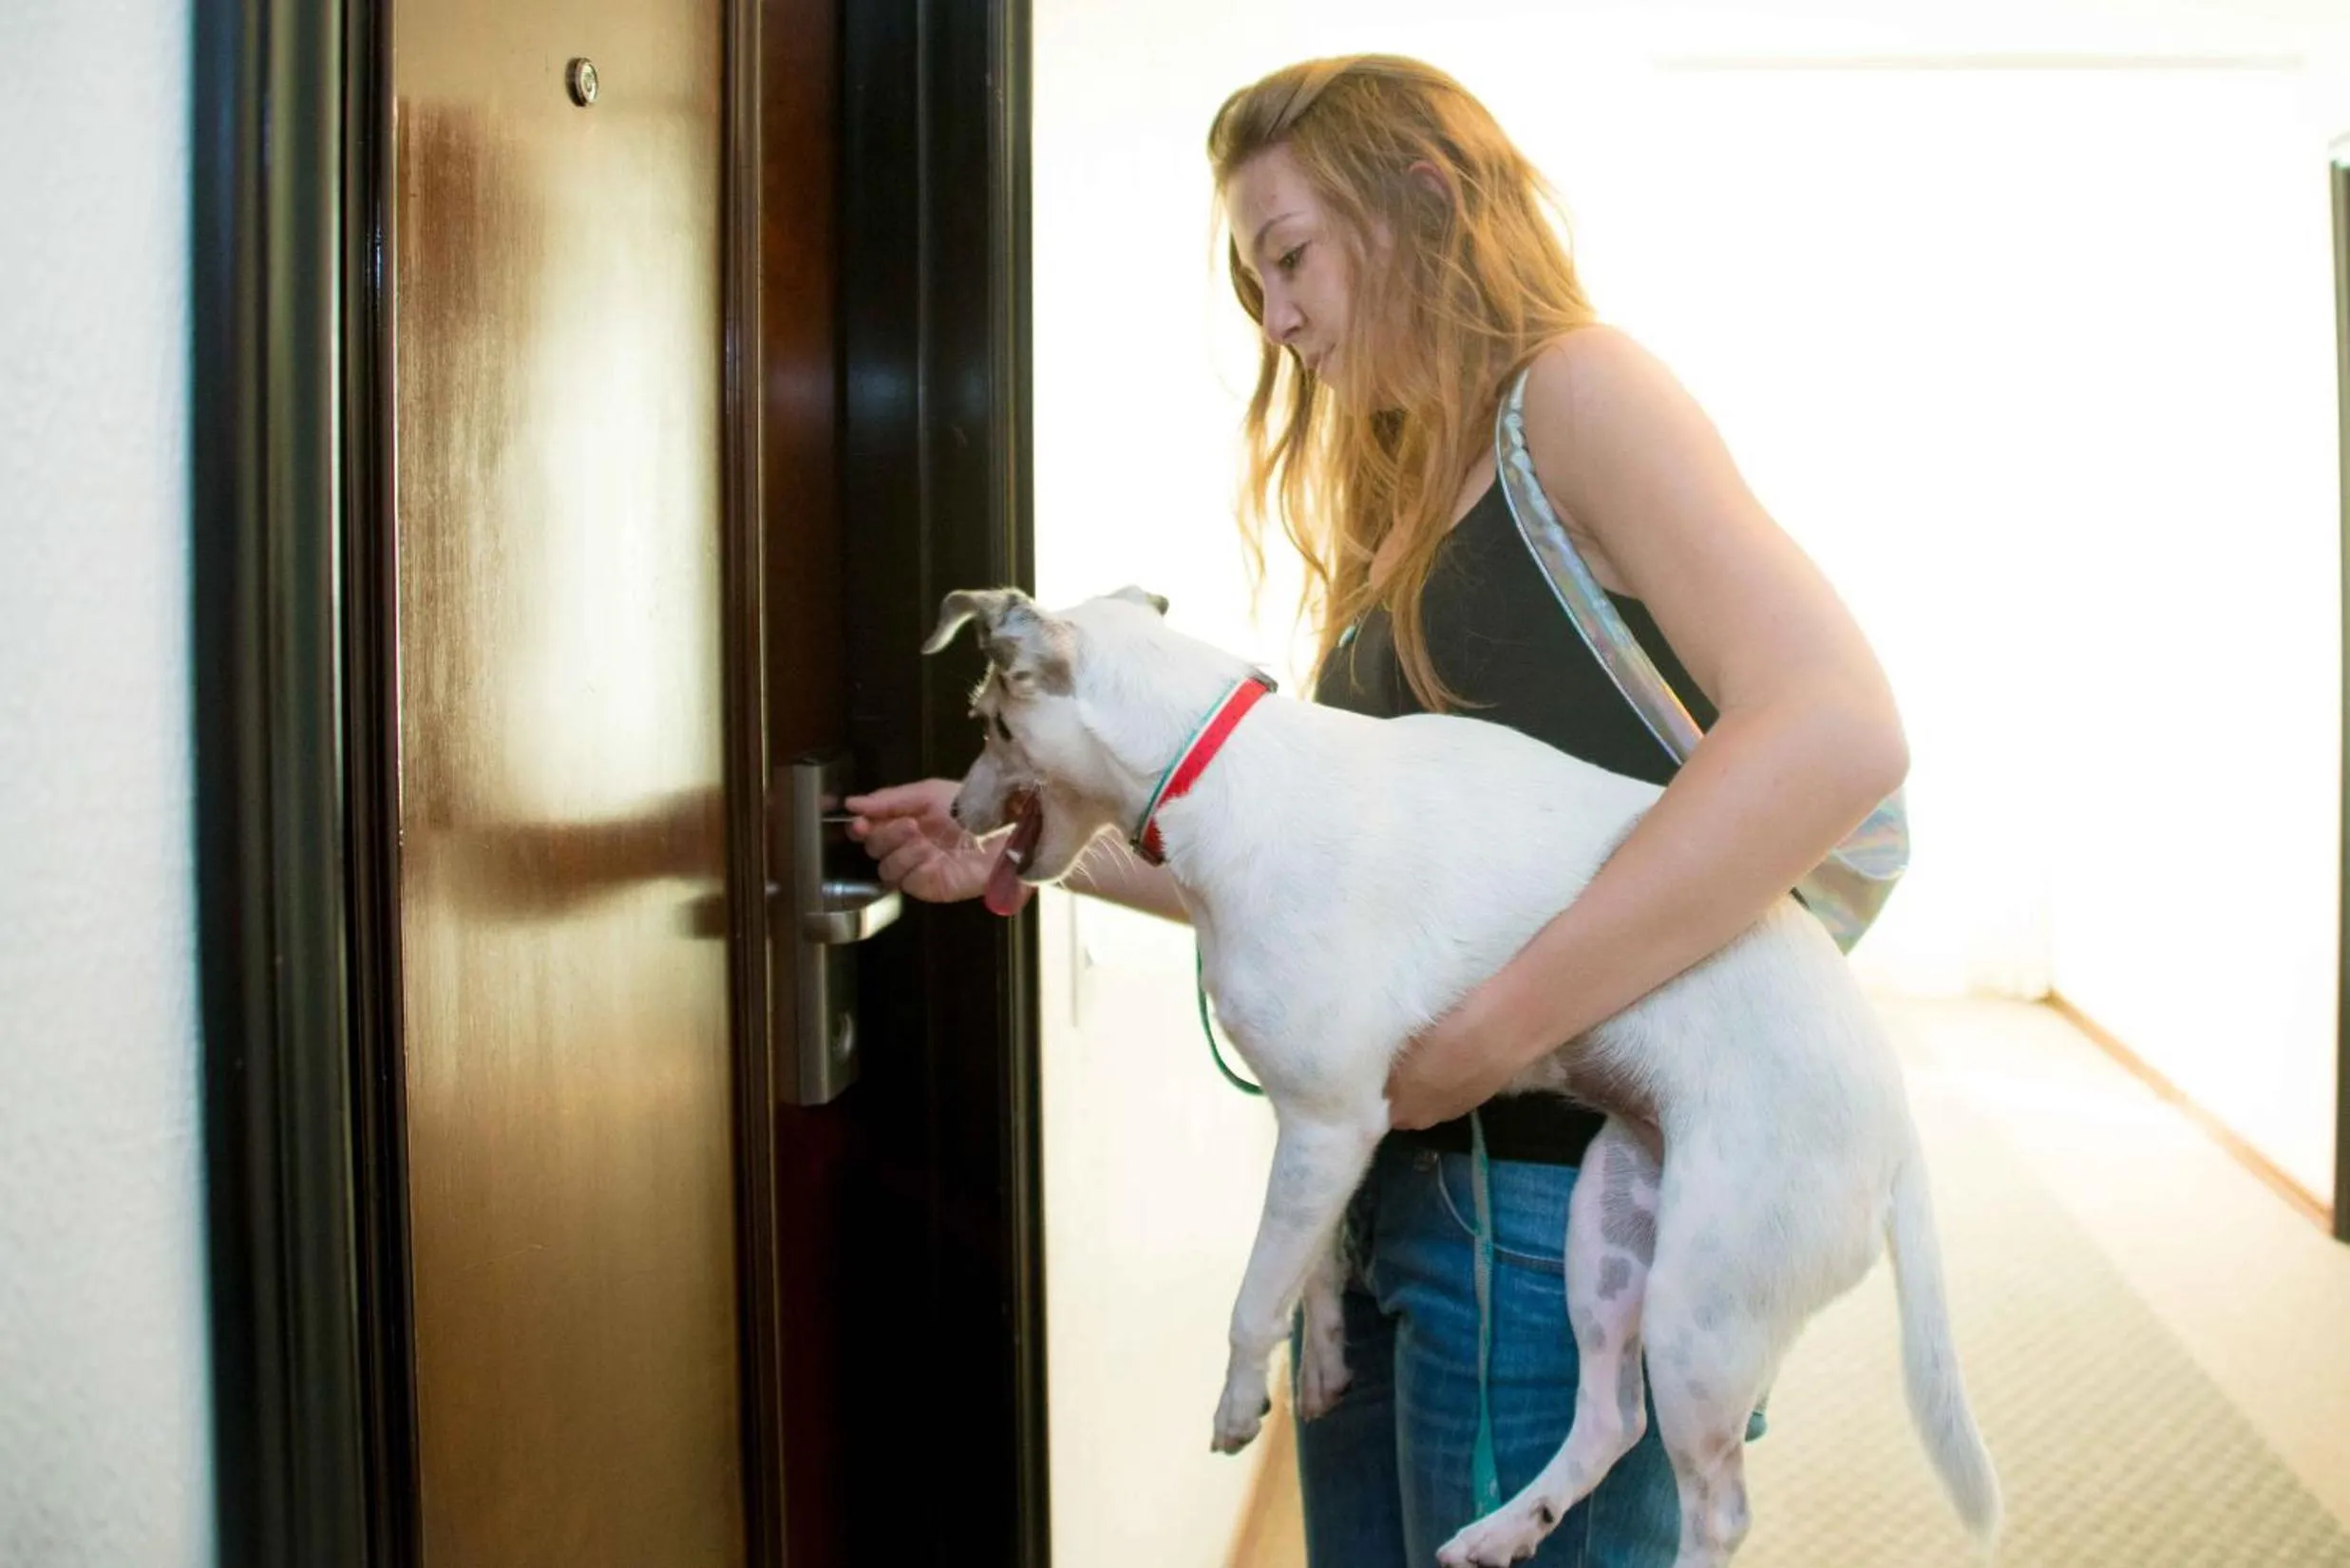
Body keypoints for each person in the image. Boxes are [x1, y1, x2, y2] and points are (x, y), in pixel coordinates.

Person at [845, 53, 1906, 1567]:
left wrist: (1486, 1033)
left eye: (1287, 256)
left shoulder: (1580, 395)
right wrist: (1040, 857)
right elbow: (1311, 893)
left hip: (1549, 1217)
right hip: (1391, 1204)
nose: (1272, 317)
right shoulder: (1407, 486)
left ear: (1424, 201)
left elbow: (1836, 727)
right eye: (1248, 278)